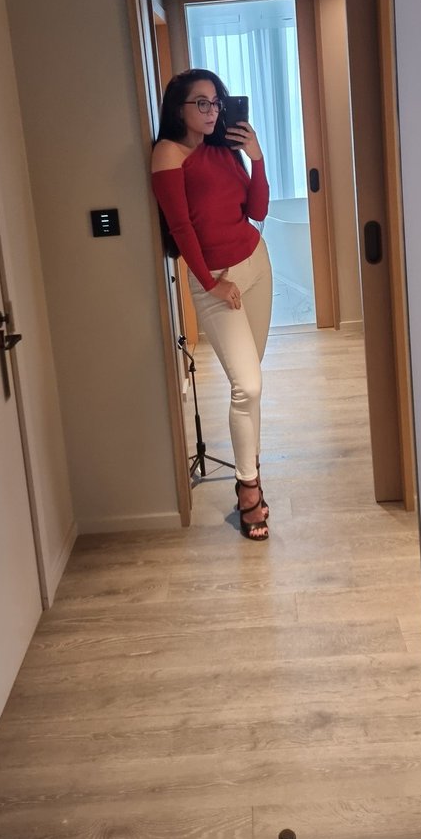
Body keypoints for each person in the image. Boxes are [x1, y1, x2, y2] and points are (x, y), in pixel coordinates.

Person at [151, 68, 272, 541]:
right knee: (248, 386)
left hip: (257, 265)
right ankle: (249, 488)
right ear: (178, 108)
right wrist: (209, 283)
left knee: (251, 383)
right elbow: (180, 228)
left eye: (216, 102)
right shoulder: (168, 153)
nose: (212, 110)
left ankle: (249, 466)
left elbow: (257, 210)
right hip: (218, 282)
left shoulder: (225, 148)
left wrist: (256, 156)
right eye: (200, 102)